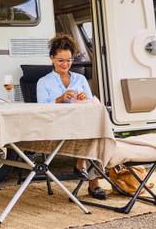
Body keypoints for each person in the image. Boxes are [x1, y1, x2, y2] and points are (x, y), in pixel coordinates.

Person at [36, 34, 107, 200]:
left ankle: (82, 164)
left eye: (69, 60)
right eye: (61, 60)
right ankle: (93, 183)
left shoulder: (80, 79)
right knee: (91, 134)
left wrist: (83, 98)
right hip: (57, 125)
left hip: (80, 124)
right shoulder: (43, 82)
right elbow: (40, 110)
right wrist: (60, 99)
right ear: (52, 59)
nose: (65, 64)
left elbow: (90, 105)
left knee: (92, 130)